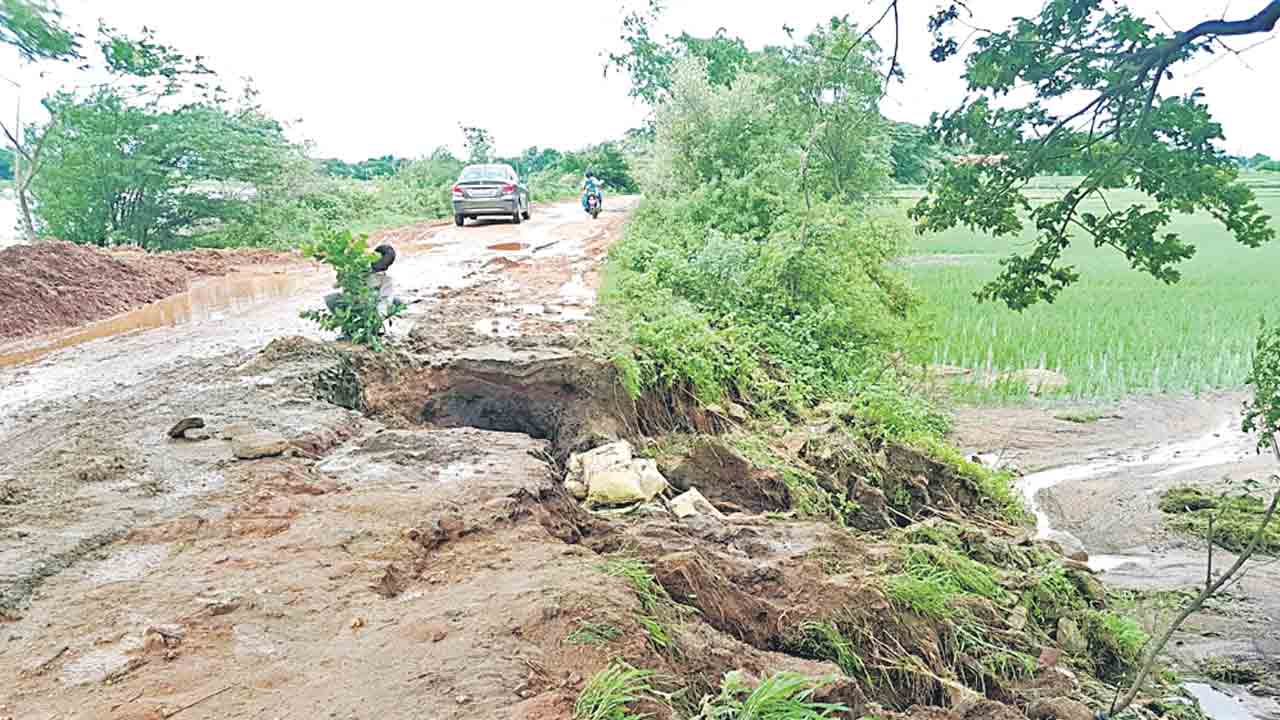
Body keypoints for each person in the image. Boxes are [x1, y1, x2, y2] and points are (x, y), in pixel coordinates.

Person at [325, 243, 398, 316]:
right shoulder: (358, 266)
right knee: (331, 299)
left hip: (370, 306)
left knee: (396, 301)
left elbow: (384, 300)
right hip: (351, 303)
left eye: (383, 265)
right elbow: (336, 285)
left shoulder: (386, 279)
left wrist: (379, 316)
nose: (380, 266)